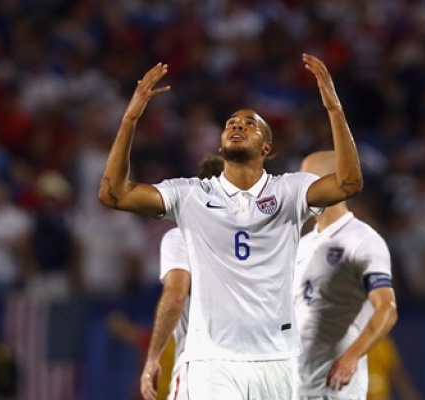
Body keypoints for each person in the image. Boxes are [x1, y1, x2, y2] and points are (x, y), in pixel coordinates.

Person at [99, 54, 363, 399]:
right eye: (231, 123)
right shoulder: (190, 195)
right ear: (220, 145)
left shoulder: (290, 190)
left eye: (250, 123)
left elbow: (349, 183)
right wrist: (130, 119)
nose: (238, 126)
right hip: (212, 360)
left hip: (278, 358)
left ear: (266, 147)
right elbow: (113, 194)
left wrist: (334, 109)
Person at [293, 150, 398, 400]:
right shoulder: (303, 244)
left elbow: (387, 309)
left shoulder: (363, 240)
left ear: (331, 181)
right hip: (296, 387)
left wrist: (352, 356)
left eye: (305, 179)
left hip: (335, 389)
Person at [140, 154, 225, 400]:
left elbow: (175, 296)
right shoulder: (263, 237)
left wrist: (153, 357)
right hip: (259, 365)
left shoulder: (182, 237)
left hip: (204, 368)